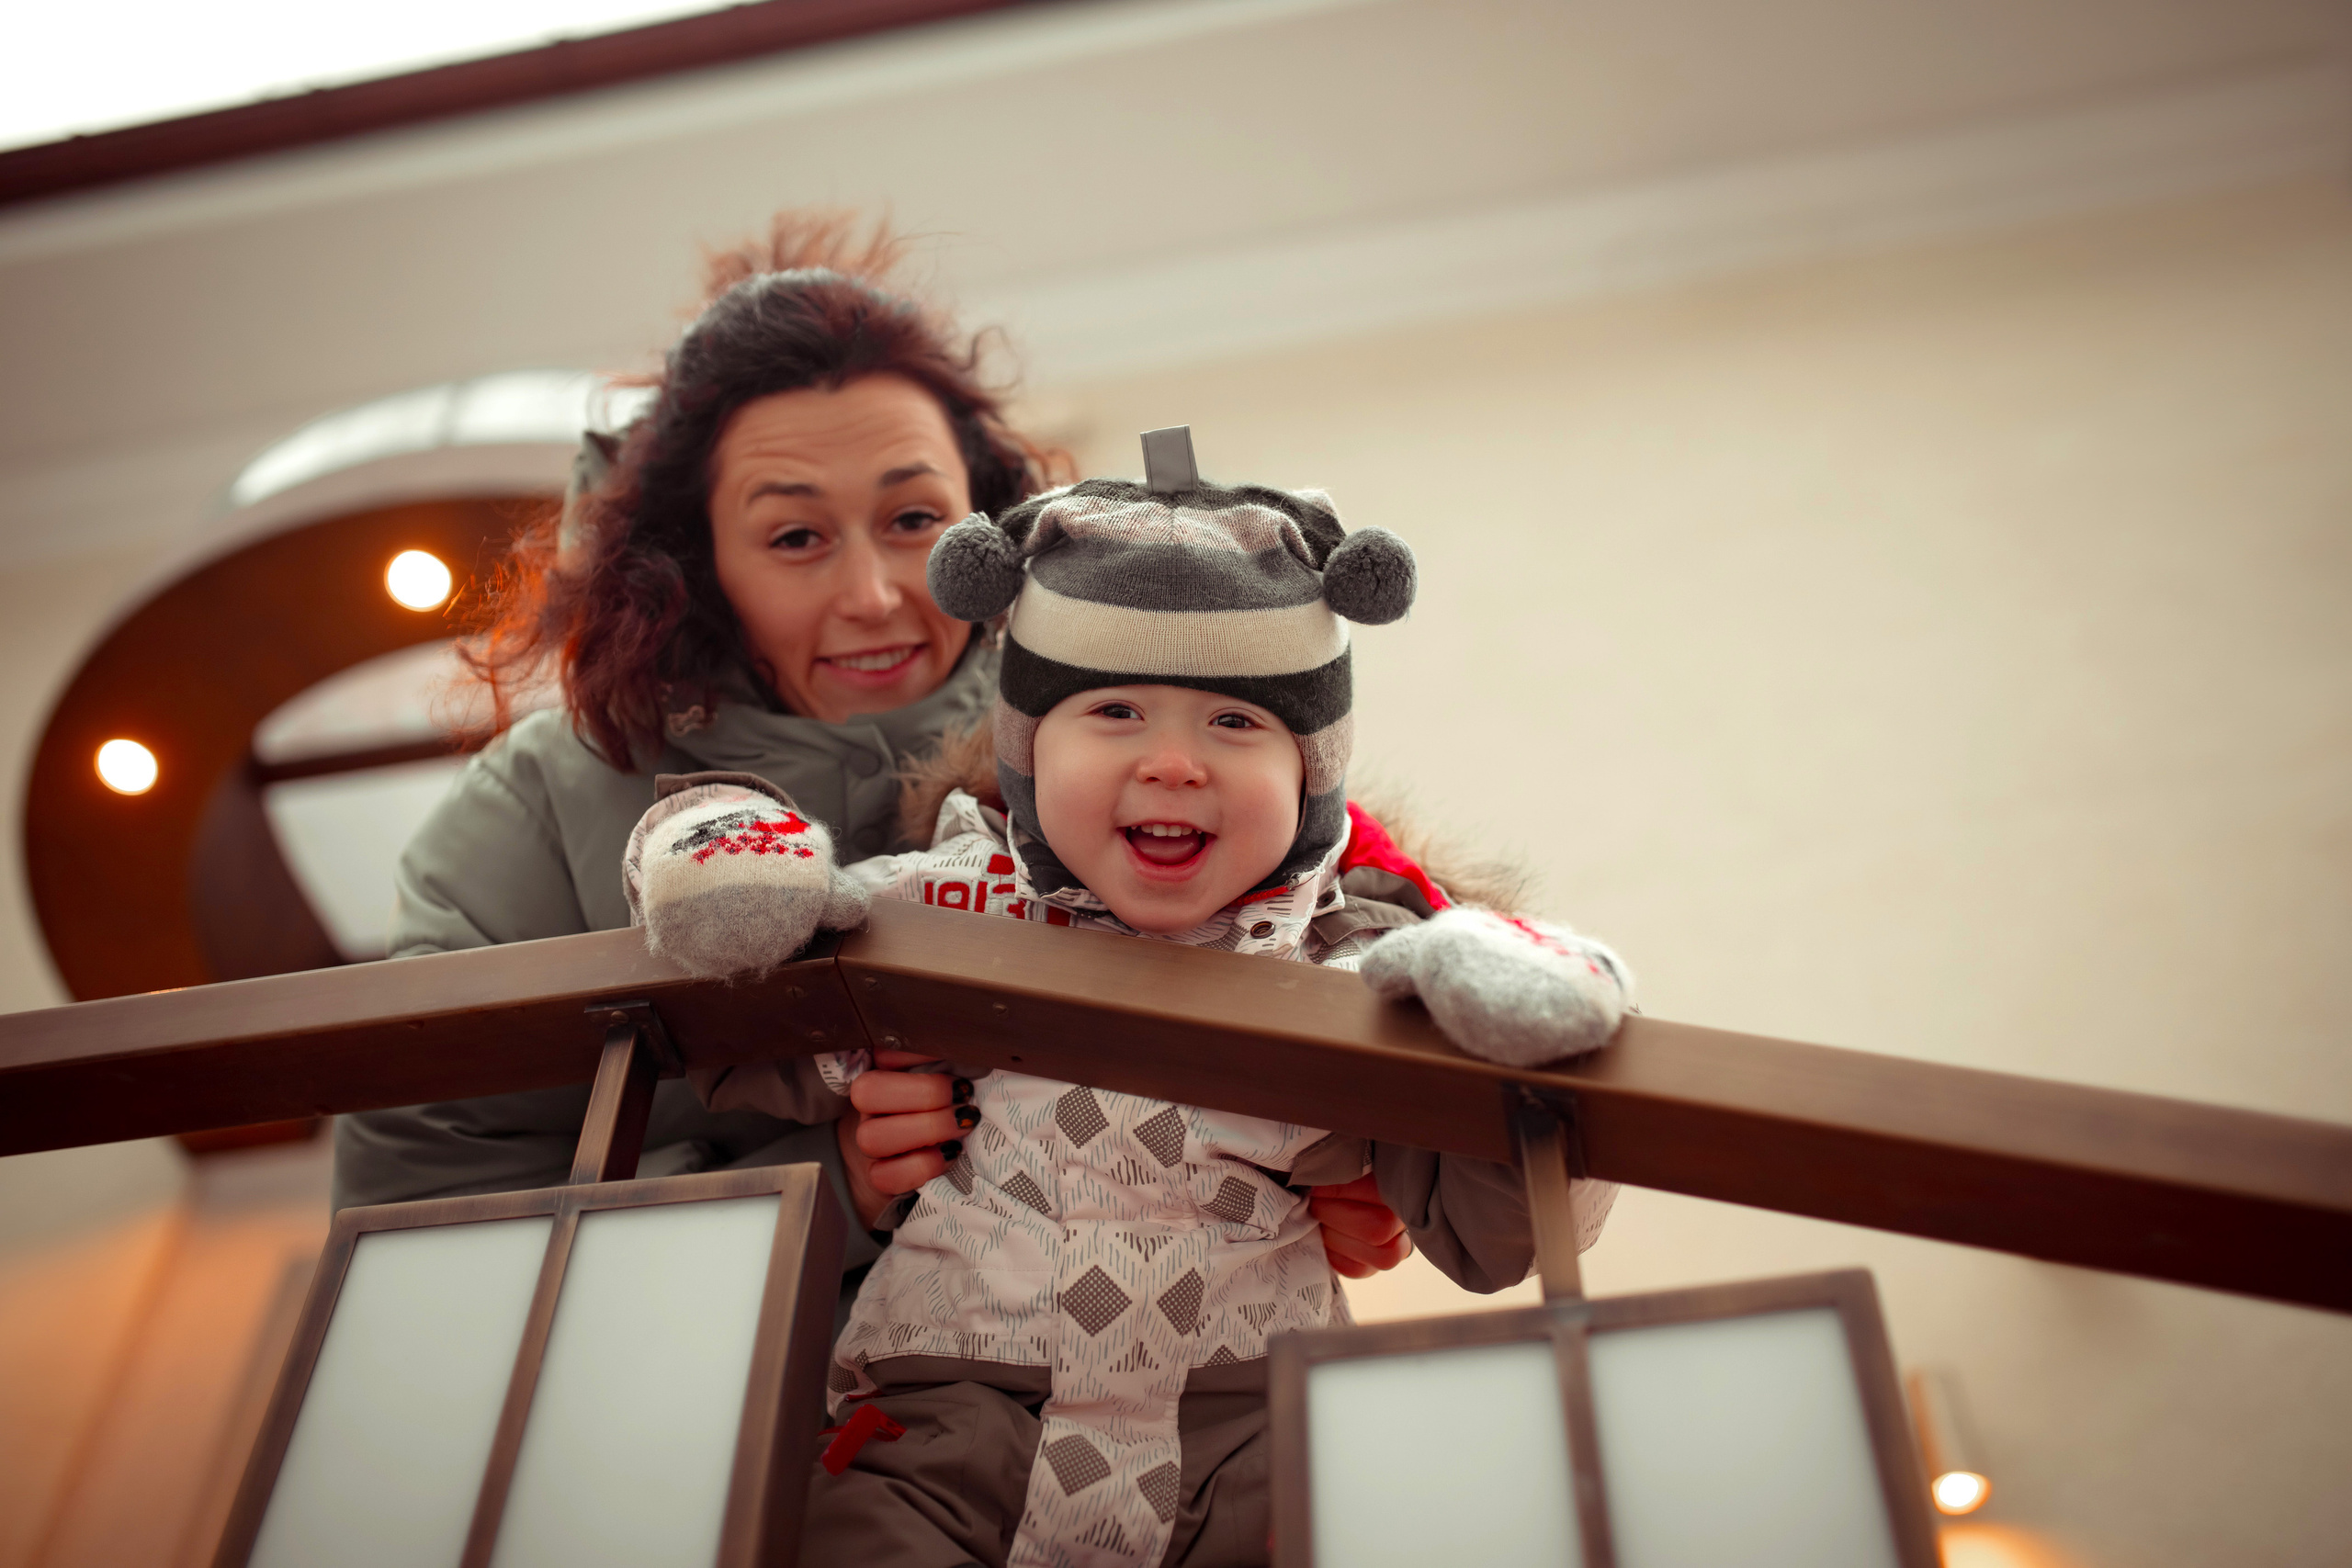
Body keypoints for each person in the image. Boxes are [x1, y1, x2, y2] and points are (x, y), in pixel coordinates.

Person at [331, 218, 1417, 1324]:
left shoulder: (1107, 757)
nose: (875, 596)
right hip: (698, 1443)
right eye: (796, 539)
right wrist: (825, 1186)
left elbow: (1319, 978)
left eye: (912, 520)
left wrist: (1353, 1174)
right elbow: (425, 1223)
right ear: (690, 566)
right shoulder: (539, 807)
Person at [628, 464, 1632, 1567]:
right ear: (1027, 752)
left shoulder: (1347, 973)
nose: (1170, 760)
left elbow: (1497, 1236)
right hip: (954, 1403)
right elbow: (750, 1026)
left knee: (1376, 1522)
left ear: (1310, 782)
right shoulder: (955, 908)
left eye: (1236, 720)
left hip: (1251, 1418)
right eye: (1111, 712)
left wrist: (1522, 1031)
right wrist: (733, 868)